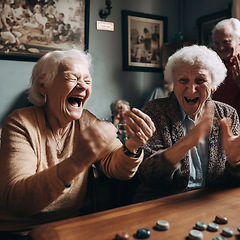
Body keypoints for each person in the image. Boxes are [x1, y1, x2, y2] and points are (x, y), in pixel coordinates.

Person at [0, 49, 155, 238]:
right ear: (43, 85)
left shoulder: (87, 121)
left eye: (87, 81)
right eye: (72, 78)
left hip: (70, 226)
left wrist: (133, 145)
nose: (82, 86)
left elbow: (119, 169)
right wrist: (76, 163)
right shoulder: (20, 123)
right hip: (22, 231)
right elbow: (18, 200)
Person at [134, 45, 240, 203]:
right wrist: (185, 143)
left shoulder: (228, 114)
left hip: (213, 202)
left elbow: (235, 182)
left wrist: (235, 161)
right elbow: (148, 178)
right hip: (165, 203)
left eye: (200, 80)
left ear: (213, 86)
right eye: (183, 80)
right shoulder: (155, 110)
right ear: (173, 84)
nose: (191, 90)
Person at [211, 18, 240, 118]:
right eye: (217, 43)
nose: (221, 48)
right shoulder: (214, 64)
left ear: (239, 41)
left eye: (226, 42)